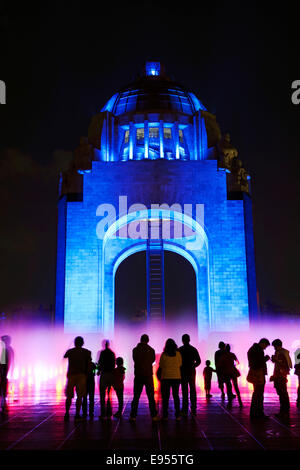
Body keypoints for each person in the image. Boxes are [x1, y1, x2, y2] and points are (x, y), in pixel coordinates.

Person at [130, 334, 159, 421]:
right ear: (148, 340)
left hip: (138, 375)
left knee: (136, 397)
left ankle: (133, 416)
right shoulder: (151, 350)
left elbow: (135, 359)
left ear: (140, 339)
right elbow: (153, 360)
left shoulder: (135, 350)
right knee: (151, 397)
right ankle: (153, 415)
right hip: (148, 376)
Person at [63, 336, 91, 421]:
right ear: (82, 343)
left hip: (71, 375)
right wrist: (87, 375)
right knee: (80, 396)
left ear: (75, 343)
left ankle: (67, 413)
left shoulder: (70, 351)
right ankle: (77, 414)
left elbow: (64, 356)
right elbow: (88, 365)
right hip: (82, 375)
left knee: (69, 396)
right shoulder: (87, 352)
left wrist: (69, 345)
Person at [247, 338, 270, 419]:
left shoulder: (252, 349)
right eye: (265, 346)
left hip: (255, 373)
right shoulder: (258, 350)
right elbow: (258, 362)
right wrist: (266, 358)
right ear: (262, 343)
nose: (265, 348)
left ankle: (254, 412)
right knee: (259, 394)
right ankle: (259, 413)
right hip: (258, 374)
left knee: (257, 393)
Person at [159, 338, 182, 420]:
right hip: (176, 377)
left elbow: (161, 365)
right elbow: (180, 364)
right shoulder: (178, 354)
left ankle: (165, 415)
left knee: (165, 397)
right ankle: (178, 415)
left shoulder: (163, 355)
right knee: (176, 396)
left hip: (165, 377)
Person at [179, 334, 201, 416]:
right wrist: (193, 366)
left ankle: (185, 409)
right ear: (189, 340)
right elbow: (198, 361)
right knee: (192, 389)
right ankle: (194, 407)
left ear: (182, 340)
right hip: (191, 371)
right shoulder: (193, 349)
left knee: (184, 391)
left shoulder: (180, 350)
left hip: (183, 372)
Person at [270, 339, 292, 418]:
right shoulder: (280, 352)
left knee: (282, 393)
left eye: (274, 346)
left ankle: (284, 411)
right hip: (279, 375)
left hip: (281, 376)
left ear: (277, 345)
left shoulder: (282, 353)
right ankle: (283, 411)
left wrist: (276, 360)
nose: (274, 348)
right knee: (282, 393)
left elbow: (284, 365)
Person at [97, 340, 116, 420]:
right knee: (109, 393)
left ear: (104, 345)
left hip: (104, 374)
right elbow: (114, 364)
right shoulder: (112, 353)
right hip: (110, 374)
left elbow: (100, 363)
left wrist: (99, 371)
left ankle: (103, 413)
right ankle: (109, 411)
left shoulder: (102, 353)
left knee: (102, 394)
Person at [0, 335, 14, 412]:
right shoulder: (8, 349)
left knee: (3, 380)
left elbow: (4, 362)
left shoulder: (6, 349)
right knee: (3, 380)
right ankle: (3, 395)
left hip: (4, 368)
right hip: (4, 368)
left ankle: (3, 394)